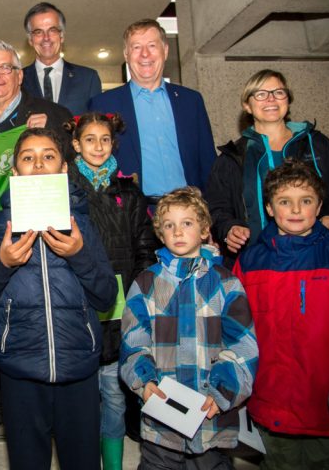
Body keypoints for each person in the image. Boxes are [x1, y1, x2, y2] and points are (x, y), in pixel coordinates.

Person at [0, 127, 117, 469]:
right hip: (20, 371)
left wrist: (79, 254)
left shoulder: (83, 223)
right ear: (15, 172)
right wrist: (2, 265)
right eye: (28, 158)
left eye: (48, 156)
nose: (38, 164)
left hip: (78, 368)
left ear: (64, 169)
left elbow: (107, 295)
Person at [233, 159, 329, 470]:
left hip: (328, 406)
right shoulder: (250, 261)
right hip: (272, 404)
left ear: (319, 205)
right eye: (285, 201)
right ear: (269, 207)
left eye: (305, 200)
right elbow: (236, 330)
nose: (296, 210)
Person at [120, 186, 258, 469]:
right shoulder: (146, 284)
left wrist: (223, 392)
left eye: (187, 223)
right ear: (160, 233)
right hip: (162, 424)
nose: (178, 232)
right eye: (169, 225)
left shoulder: (225, 283)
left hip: (211, 421)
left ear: (205, 229)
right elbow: (133, 340)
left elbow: (243, 345)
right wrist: (144, 382)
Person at [65, 112, 159, 469]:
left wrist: (141, 294)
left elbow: (144, 246)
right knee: (84, 401)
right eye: (90, 140)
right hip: (78, 305)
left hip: (123, 309)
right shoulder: (64, 188)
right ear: (76, 145)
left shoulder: (130, 191)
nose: (98, 146)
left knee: (116, 398)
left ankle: (114, 465)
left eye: (104, 140)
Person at [206, 69, 329, 261]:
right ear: (247, 105)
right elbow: (216, 206)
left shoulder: (316, 144)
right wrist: (229, 227)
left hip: (319, 257)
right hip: (257, 263)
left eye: (278, 92)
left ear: (287, 100)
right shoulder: (232, 157)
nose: (271, 99)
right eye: (260, 94)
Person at [88, 19, 216, 201]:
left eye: (152, 45)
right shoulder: (104, 104)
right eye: (136, 47)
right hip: (134, 214)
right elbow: (96, 168)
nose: (145, 54)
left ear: (165, 51)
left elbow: (208, 162)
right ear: (126, 54)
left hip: (190, 211)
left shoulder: (191, 101)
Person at [21, 2, 102, 115]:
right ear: (30, 39)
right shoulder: (17, 80)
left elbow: (98, 125)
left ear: (62, 35)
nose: (46, 38)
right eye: (38, 32)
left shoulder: (88, 79)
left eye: (52, 30)